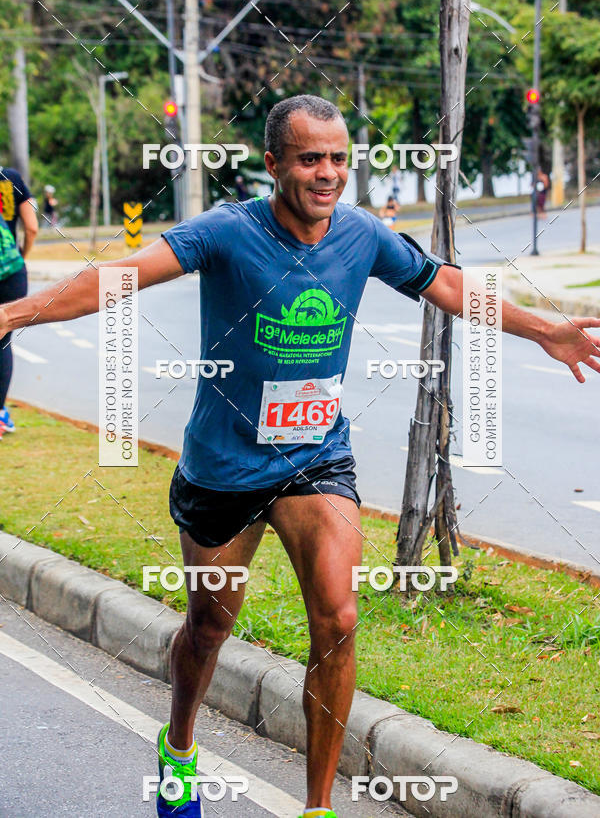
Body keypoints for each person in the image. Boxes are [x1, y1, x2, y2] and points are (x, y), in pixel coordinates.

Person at [1, 95, 599, 818]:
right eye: (311, 158)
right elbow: (117, 276)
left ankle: (317, 807)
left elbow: (447, 283)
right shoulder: (225, 231)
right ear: (274, 164)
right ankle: (180, 746)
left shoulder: (362, 236)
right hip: (223, 466)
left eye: (340, 158)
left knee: (339, 617)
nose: (328, 174)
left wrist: (544, 330)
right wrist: (11, 313)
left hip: (316, 458)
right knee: (209, 626)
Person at [0, 166, 38, 434]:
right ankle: (0, 414)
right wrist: (21, 256)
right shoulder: (10, 178)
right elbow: (32, 228)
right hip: (10, 273)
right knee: (3, 340)